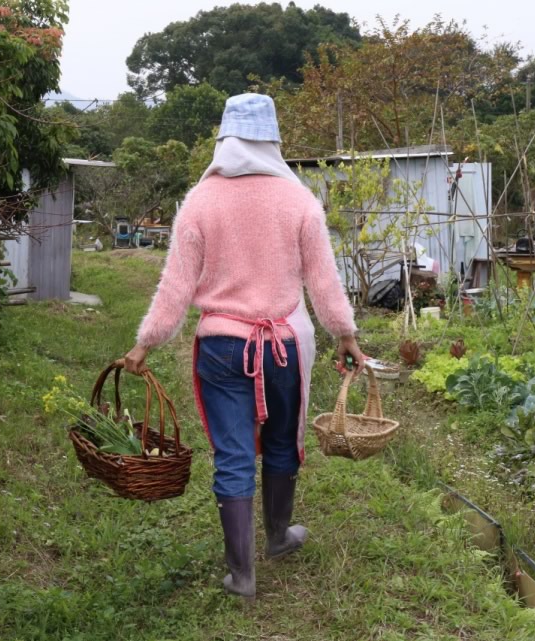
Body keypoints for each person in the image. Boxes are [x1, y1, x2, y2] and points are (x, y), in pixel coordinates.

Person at [119, 93, 365, 600]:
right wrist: (346, 334)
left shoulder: (201, 201)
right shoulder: (298, 200)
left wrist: (145, 343)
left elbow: (175, 287)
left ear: (224, 138)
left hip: (222, 346)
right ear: (273, 140)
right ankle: (277, 536)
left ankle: (243, 574)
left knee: (232, 454)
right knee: (279, 440)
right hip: (284, 348)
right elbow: (323, 282)